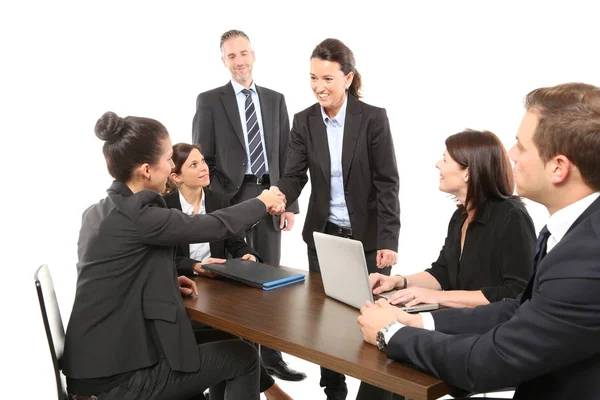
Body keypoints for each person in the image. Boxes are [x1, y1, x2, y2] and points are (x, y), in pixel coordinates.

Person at [358, 82, 600, 399]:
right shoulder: (567, 230)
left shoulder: (585, 257)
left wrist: (391, 333)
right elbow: (520, 310)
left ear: (558, 167)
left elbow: (489, 361)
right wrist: (419, 320)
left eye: (522, 147)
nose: (511, 154)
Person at [62, 111, 286, 400]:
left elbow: (119, 276)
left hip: (95, 366)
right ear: (146, 169)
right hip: (116, 381)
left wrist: (167, 280)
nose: (171, 166)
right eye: (168, 159)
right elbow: (214, 225)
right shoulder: (140, 216)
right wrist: (261, 201)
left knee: (229, 340)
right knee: (243, 356)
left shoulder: (98, 212)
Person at [271, 38, 401, 400]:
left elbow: (387, 183)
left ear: (348, 78)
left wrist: (389, 241)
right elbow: (294, 176)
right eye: (313, 78)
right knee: (326, 319)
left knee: (371, 316)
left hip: (368, 237)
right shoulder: (305, 121)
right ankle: (334, 387)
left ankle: (373, 390)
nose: (319, 87)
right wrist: (278, 197)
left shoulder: (372, 118)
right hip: (325, 237)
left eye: (327, 79)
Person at [192, 29, 305, 382]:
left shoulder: (275, 99)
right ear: (223, 61)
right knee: (233, 279)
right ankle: (239, 359)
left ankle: (271, 358)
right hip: (231, 198)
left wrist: (288, 203)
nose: (239, 61)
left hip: (271, 195)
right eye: (231, 56)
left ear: (253, 55)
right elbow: (202, 158)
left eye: (243, 53)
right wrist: (218, 199)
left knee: (270, 277)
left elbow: (289, 155)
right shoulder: (210, 100)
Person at [162, 142, 293, 400]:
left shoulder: (218, 200)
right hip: (187, 288)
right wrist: (197, 266)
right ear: (175, 177)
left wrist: (249, 256)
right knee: (232, 339)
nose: (204, 168)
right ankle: (270, 388)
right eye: (194, 164)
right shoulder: (164, 206)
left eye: (203, 162)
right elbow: (166, 259)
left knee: (248, 327)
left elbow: (236, 241)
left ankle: (246, 390)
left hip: (220, 288)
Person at [369, 129, 535, 310]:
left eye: (445, 159)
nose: (438, 164)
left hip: (492, 328)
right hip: (460, 320)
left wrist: (437, 296)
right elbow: (442, 273)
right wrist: (397, 281)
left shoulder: (511, 215)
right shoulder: (460, 217)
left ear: (467, 173)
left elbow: (517, 292)